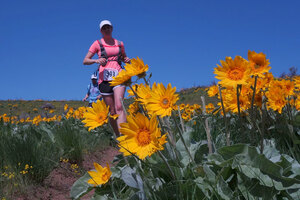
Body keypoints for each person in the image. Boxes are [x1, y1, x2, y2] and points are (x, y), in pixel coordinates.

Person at [83, 20, 130, 136]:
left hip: (119, 76)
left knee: (120, 106)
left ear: (112, 28)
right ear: (101, 31)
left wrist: (127, 60)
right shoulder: (97, 44)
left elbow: (124, 57)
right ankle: (118, 135)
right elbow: (85, 60)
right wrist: (96, 60)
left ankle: (124, 138)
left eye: (108, 27)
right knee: (112, 111)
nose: (107, 29)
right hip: (103, 78)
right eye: (104, 28)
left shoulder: (120, 43)